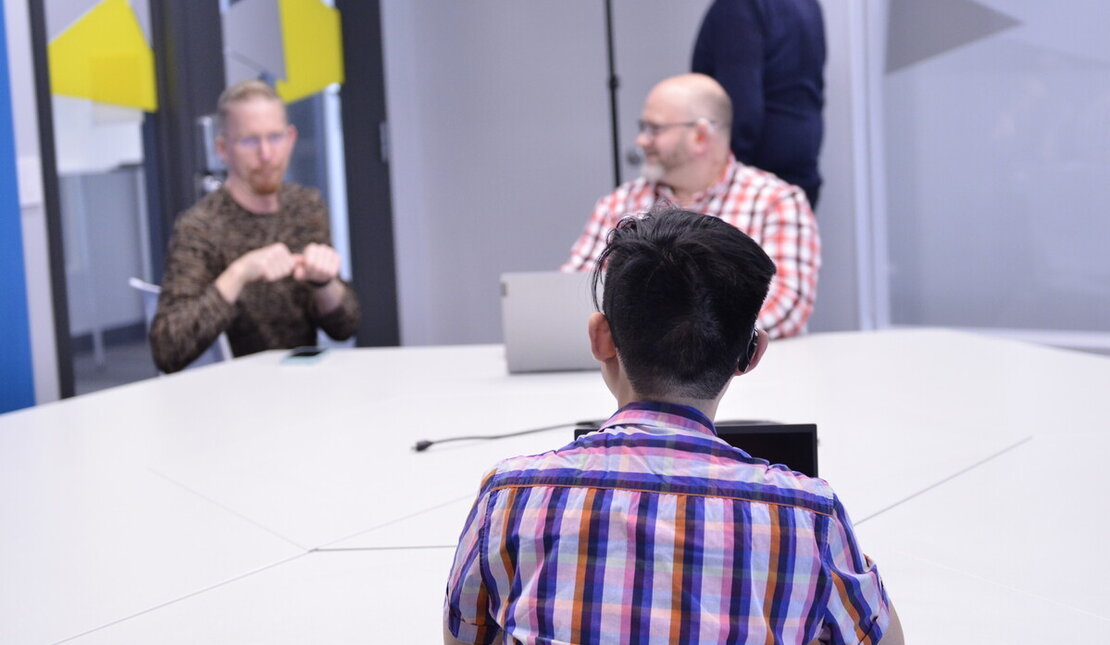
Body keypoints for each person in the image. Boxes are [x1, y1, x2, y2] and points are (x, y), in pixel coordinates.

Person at [446, 209, 902, 644]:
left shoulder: (509, 497)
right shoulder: (809, 516)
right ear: (751, 355)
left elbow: (463, 637)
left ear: (600, 337)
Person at [562, 74, 819, 340]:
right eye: (643, 127)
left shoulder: (775, 202)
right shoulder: (618, 204)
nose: (641, 141)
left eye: (655, 129)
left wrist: (682, 339)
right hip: (640, 374)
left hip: (750, 374)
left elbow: (787, 305)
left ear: (700, 136)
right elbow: (570, 297)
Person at [150, 80, 359, 373]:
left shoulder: (306, 206)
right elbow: (168, 349)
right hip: (229, 399)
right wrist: (238, 273)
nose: (266, 154)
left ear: (290, 139)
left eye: (274, 138)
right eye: (249, 141)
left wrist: (324, 283)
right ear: (223, 148)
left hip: (299, 387)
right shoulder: (200, 226)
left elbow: (345, 327)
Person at [692, 0, 826, 208]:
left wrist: (724, 179)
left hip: (754, 180)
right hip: (801, 166)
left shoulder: (738, 6)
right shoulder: (807, 5)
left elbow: (740, 105)